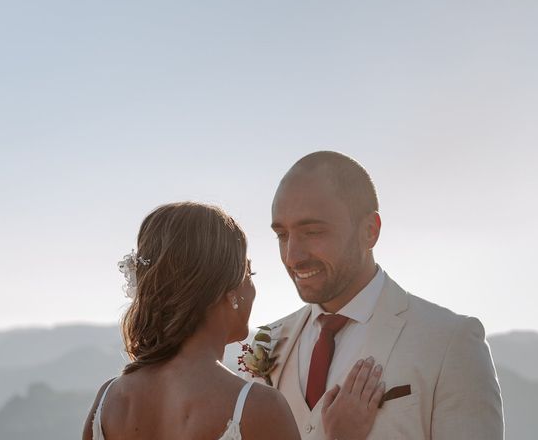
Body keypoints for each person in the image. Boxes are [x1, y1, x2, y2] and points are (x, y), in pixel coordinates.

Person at [82, 202, 385, 440]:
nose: (251, 287)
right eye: (248, 274)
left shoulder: (108, 401)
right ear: (226, 291)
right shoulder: (255, 407)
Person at [260, 151, 504, 439]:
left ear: (369, 231)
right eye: (282, 235)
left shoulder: (450, 341)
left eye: (312, 232)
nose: (292, 257)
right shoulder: (268, 343)